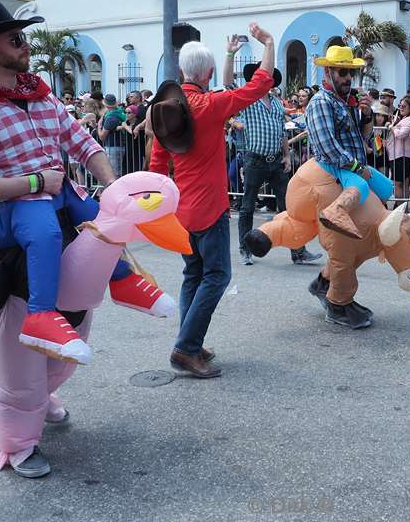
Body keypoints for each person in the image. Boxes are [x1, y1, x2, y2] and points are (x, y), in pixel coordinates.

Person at [0, 1, 167, 477]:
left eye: (23, 38)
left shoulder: (43, 99)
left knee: (78, 323)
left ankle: (119, 288)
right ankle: (18, 443)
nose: (25, 47)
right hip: (9, 238)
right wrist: (32, 184)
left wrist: (112, 187)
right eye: (15, 40)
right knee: (19, 351)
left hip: (59, 219)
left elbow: (84, 146)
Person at [148, 22, 278, 379]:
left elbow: (158, 163)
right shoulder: (209, 105)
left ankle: (190, 339)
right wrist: (268, 43)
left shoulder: (165, 109)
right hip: (210, 207)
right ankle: (186, 348)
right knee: (217, 275)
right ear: (206, 74)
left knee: (194, 274)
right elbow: (259, 85)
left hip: (180, 210)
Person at [234, 59, 321, 266]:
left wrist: (287, 155)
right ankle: (246, 249)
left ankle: (298, 251)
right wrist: (230, 54)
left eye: (268, 76)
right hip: (255, 160)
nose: (265, 78)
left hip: (276, 162)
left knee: (291, 207)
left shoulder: (275, 102)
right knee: (247, 206)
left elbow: (281, 131)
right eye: (261, 75)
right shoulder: (247, 99)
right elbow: (229, 83)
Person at [304, 45, 394, 239]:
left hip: (352, 165)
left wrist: (368, 115)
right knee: (361, 187)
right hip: (332, 166)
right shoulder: (321, 101)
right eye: (342, 72)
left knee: (387, 187)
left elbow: (364, 138)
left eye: (350, 72)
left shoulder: (348, 100)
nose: (348, 78)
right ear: (328, 72)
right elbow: (328, 147)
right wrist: (357, 167)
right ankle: (333, 213)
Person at [385, 96, 410, 204]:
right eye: (399, 106)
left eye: (404, 106)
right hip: (399, 155)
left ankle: (401, 208)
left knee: (399, 184)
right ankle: (403, 208)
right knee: (403, 183)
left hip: (402, 156)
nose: (400, 108)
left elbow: (400, 134)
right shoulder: (404, 119)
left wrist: (392, 127)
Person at [98, 94, 130, 177]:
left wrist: (98, 126)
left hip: (112, 147)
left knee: (114, 172)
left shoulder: (110, 118)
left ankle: (115, 189)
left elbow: (102, 136)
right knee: (117, 171)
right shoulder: (120, 113)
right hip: (120, 146)